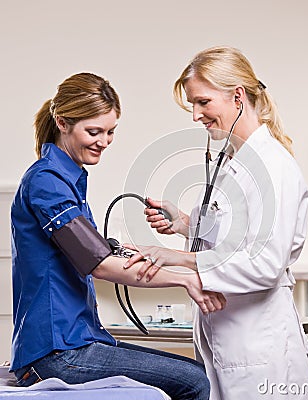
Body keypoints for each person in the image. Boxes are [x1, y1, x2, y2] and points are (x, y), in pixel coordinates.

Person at [10, 72, 227, 400]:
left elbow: (94, 253)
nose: (103, 141)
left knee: (197, 373)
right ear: (62, 122)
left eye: (110, 132)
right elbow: (99, 265)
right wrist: (185, 280)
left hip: (77, 340)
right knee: (194, 382)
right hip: (57, 354)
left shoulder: (66, 180)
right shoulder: (48, 182)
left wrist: (126, 252)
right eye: (93, 131)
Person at [124, 46, 308, 399]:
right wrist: (184, 223)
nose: (196, 115)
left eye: (203, 102)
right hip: (229, 339)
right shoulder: (236, 162)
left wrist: (177, 259)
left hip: (259, 348)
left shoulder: (272, 167)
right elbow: (236, 235)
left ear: (238, 96)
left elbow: (265, 263)